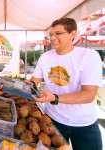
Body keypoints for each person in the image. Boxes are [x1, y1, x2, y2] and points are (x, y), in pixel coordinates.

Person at [30, 18, 102, 150]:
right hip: (53, 121)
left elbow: (88, 95)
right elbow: (33, 82)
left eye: (58, 33)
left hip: (84, 124)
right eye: (51, 34)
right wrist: (15, 85)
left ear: (73, 34)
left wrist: (55, 98)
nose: (53, 38)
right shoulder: (45, 57)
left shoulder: (89, 56)